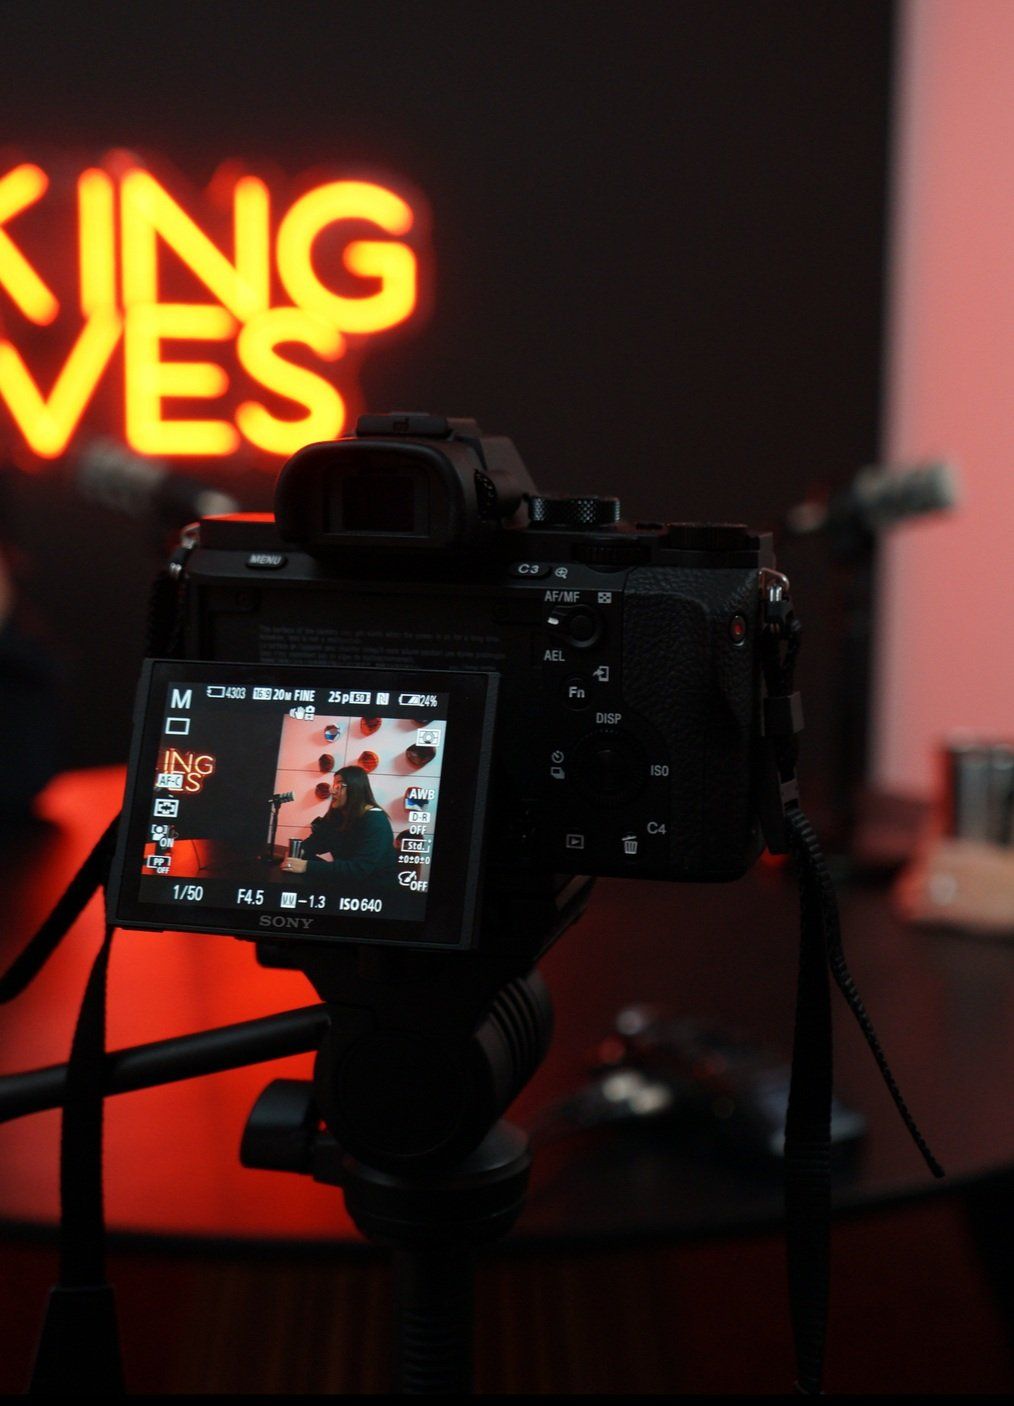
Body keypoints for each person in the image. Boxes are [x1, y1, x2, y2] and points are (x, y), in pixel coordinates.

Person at [303, 765, 397, 892]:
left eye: (339, 786)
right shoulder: (337, 814)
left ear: (355, 788)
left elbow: (358, 869)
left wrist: (306, 866)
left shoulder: (376, 821)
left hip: (374, 891)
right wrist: (297, 852)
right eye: (333, 786)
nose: (332, 791)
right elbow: (315, 842)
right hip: (346, 884)